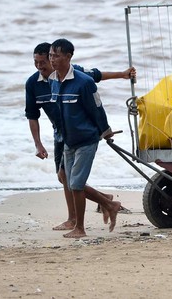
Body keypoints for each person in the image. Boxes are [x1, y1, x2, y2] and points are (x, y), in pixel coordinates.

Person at [25, 42, 134, 231]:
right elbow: (32, 116)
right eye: (37, 62)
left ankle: (76, 218)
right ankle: (104, 201)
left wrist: (122, 74)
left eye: (45, 61)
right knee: (64, 177)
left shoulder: (76, 75)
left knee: (67, 178)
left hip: (79, 132)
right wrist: (38, 144)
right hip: (61, 133)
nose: (41, 66)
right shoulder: (34, 84)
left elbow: (96, 77)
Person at [48, 38, 123, 238]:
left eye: (56, 55)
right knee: (71, 182)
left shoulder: (85, 82)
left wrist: (105, 131)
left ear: (68, 56)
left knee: (77, 184)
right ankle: (109, 204)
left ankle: (80, 228)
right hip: (67, 141)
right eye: (51, 55)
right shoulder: (53, 80)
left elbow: (97, 108)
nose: (52, 59)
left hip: (86, 140)